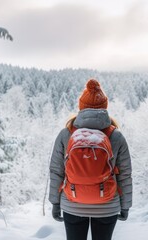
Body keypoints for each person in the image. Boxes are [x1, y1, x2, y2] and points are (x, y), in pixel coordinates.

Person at [48, 78, 133, 240]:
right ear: (105, 107)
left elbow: (56, 171)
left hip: (73, 204)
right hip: (107, 206)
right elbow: (124, 174)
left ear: (81, 107)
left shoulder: (66, 134)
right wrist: (126, 205)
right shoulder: (116, 136)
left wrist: (55, 202)